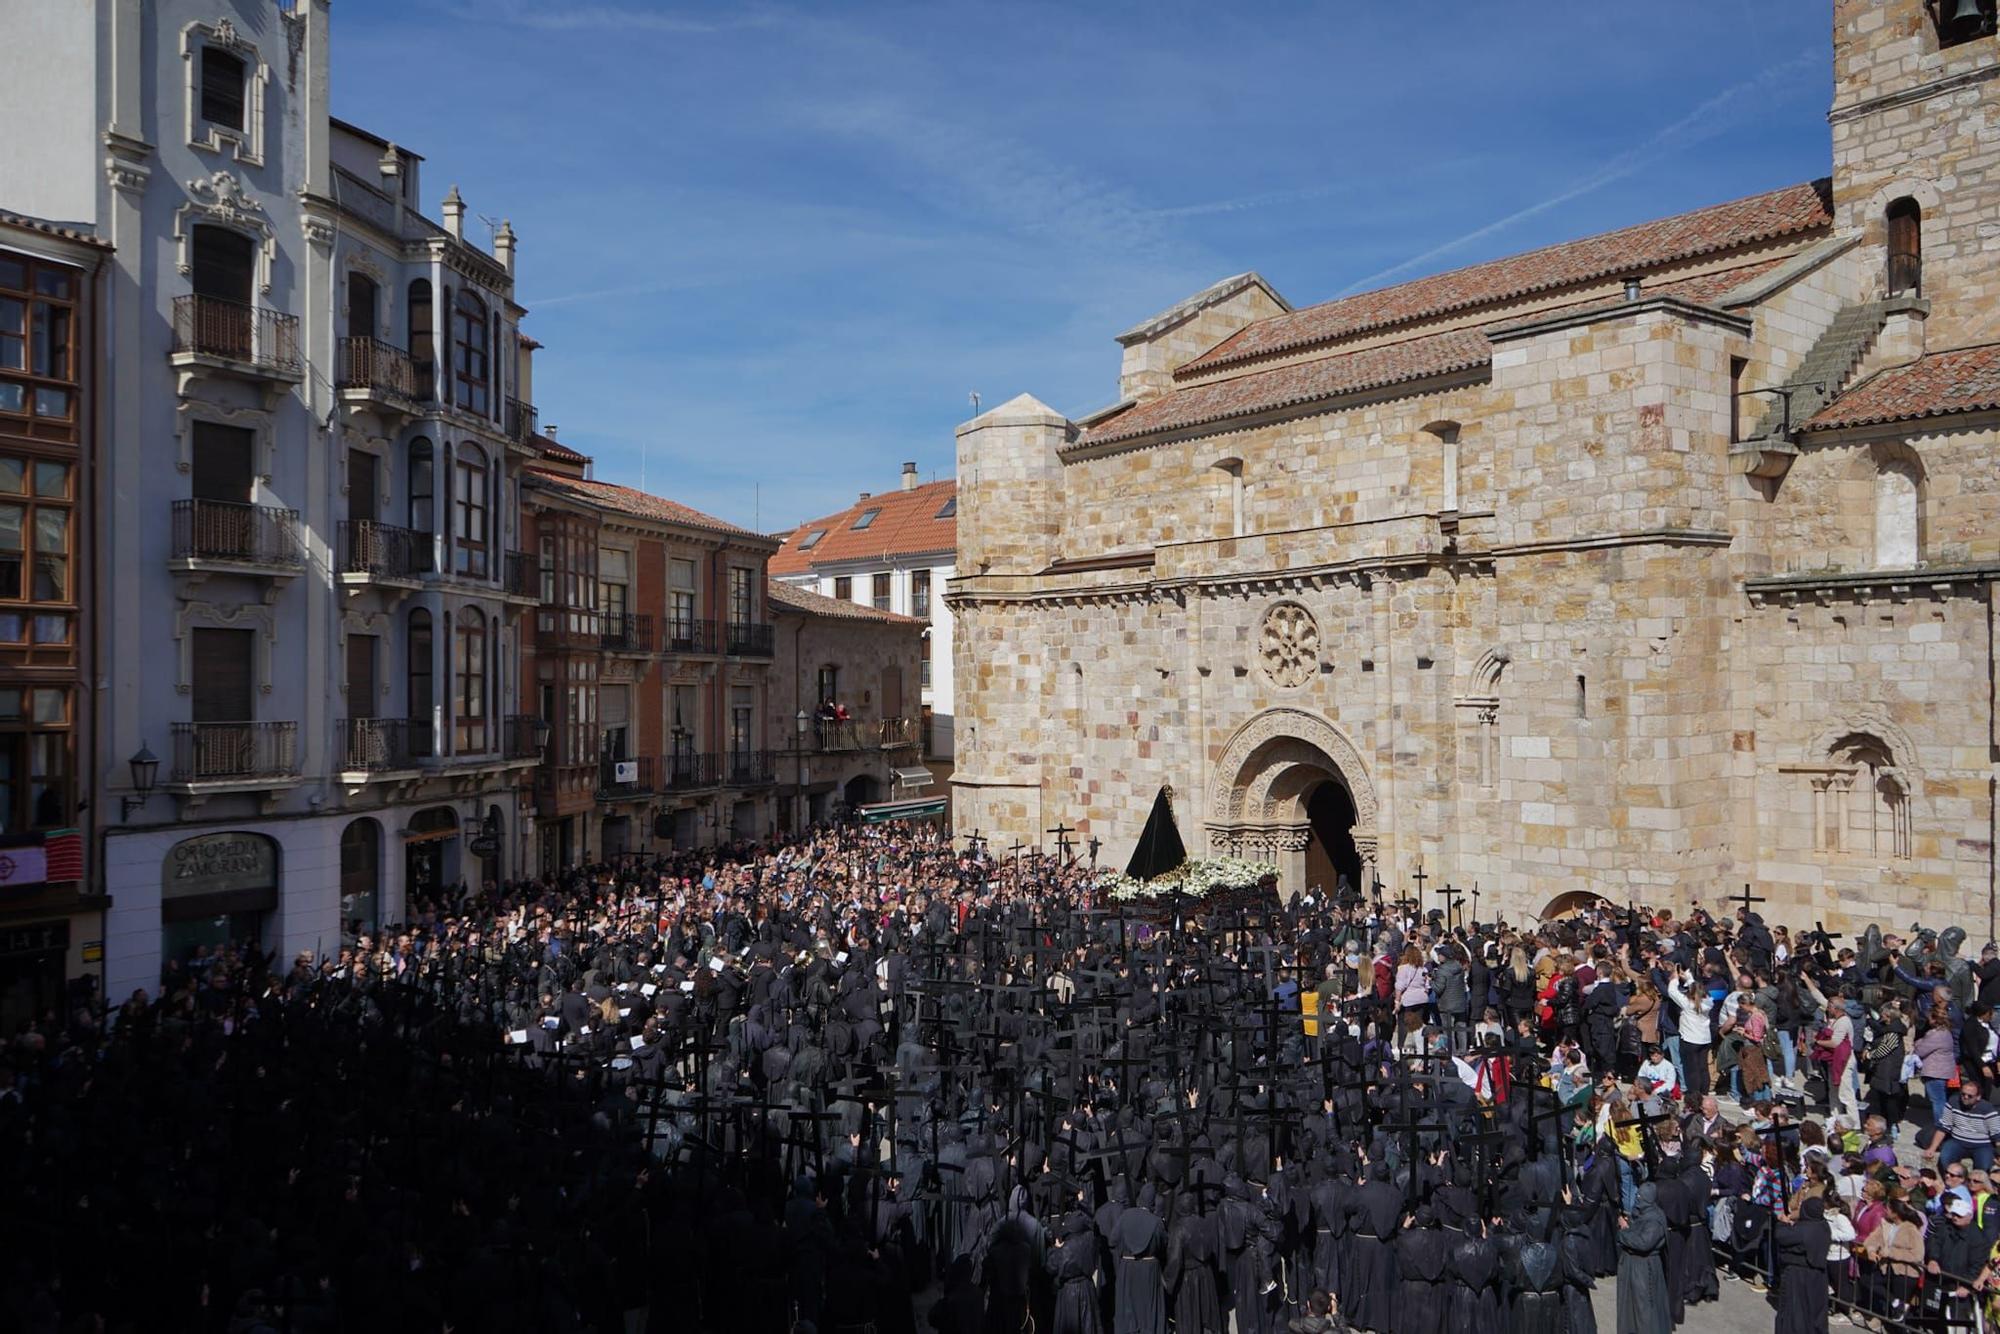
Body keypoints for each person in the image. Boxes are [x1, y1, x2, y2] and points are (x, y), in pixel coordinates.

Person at [1614, 1182, 1671, 1334]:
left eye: (1641, 1197)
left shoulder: (1655, 1220)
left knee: (1644, 1309)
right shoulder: (1644, 1211)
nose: (1638, 1199)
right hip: (1636, 1267)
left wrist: (1623, 1233)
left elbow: (1644, 1242)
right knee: (1633, 1307)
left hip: (1644, 1269)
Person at [1772, 1197, 1832, 1334]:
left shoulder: (1804, 1230)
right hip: (1818, 1277)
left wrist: (1783, 1223)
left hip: (1798, 1276)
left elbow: (1782, 1236)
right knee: (1814, 1314)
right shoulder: (1823, 1226)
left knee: (1796, 1314)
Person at [1926, 1078, 2000, 1171]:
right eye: (1963, 1094)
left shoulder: (1987, 1109)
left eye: (1970, 1096)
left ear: (1978, 1097)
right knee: (1945, 1160)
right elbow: (1943, 1127)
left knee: (1984, 1168)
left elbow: (1997, 1134)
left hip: (1982, 1145)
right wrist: (1932, 1148)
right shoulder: (1953, 1102)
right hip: (1958, 1141)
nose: (1965, 1097)